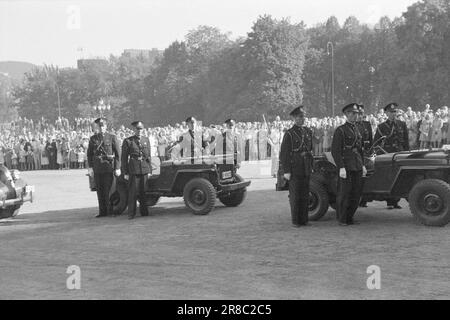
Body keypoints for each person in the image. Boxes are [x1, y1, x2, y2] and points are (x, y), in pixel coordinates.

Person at [331, 103, 367, 226]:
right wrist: (341, 167)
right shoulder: (340, 130)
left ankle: (349, 217)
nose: (355, 116)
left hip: (356, 164)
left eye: (356, 113)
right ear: (346, 114)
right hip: (346, 165)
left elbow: (360, 149)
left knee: (356, 193)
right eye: (353, 113)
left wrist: (362, 165)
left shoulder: (357, 128)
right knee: (344, 193)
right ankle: (342, 218)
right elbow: (335, 151)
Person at [279, 106, 314, 227]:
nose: (303, 119)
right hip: (295, 166)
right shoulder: (289, 134)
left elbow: (310, 150)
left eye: (304, 116)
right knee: (295, 195)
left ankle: (304, 219)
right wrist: (287, 170)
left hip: (306, 166)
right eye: (300, 117)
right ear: (294, 118)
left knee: (305, 194)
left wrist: (311, 165)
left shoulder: (308, 131)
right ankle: (296, 220)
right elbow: (284, 153)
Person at [374, 103, 409, 209]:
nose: (393, 114)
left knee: (400, 177)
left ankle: (395, 201)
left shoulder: (402, 124)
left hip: (400, 154)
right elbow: (376, 143)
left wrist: (407, 153)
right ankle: (390, 202)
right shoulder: (382, 127)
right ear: (386, 113)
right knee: (390, 177)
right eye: (391, 112)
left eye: (395, 112)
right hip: (388, 155)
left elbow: (406, 141)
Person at [87, 117, 121, 218]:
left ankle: (110, 211)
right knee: (100, 190)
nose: (101, 128)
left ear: (106, 126)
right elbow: (89, 154)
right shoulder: (93, 138)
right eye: (100, 126)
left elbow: (118, 153)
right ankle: (102, 212)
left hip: (108, 167)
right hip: (97, 167)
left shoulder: (112, 137)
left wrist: (117, 167)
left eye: (103, 126)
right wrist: (91, 168)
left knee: (108, 190)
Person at [121, 121, 152, 220]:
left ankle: (144, 211)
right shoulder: (128, 141)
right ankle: (131, 213)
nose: (140, 131)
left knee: (143, 191)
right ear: (134, 130)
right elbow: (124, 158)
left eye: (141, 129)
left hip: (144, 168)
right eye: (137, 129)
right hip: (133, 169)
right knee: (133, 193)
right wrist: (125, 172)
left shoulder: (146, 140)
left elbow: (148, 156)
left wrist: (150, 169)